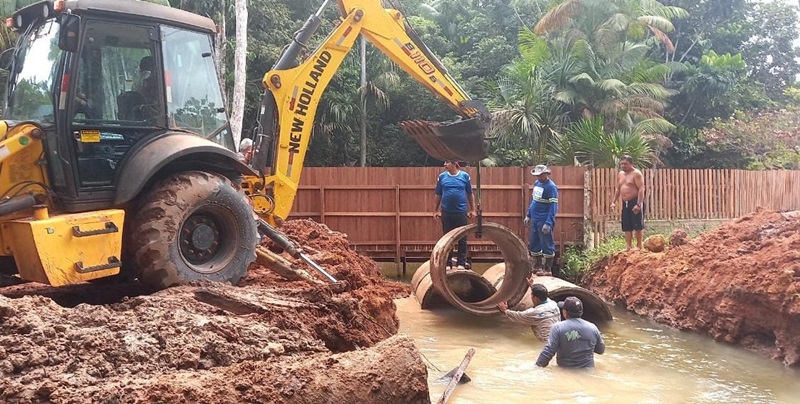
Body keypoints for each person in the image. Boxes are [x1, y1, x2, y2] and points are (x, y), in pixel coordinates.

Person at [536, 296, 605, 368]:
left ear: (565, 312)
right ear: (581, 311)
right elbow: (601, 350)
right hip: (588, 371)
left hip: (565, 371)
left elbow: (548, 352)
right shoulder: (593, 328)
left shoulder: (558, 328)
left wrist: (537, 367)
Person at [433, 159, 476, 270]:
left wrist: (473, 210)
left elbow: (470, 194)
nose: (444, 164)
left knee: (462, 238)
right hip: (447, 212)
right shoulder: (442, 177)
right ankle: (447, 263)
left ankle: (461, 262)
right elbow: (438, 194)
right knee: (447, 238)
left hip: (461, 212)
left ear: (454, 164)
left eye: (447, 162)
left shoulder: (464, 176)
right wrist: (435, 210)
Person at [524, 165, 558, 276]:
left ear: (546, 174)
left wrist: (548, 223)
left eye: (540, 175)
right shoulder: (537, 184)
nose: (538, 177)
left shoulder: (551, 187)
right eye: (537, 175)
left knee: (546, 243)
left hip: (544, 219)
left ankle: (547, 269)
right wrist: (528, 215)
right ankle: (537, 266)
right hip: (535, 218)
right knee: (534, 242)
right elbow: (534, 201)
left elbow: (553, 206)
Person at [611, 155, 646, 251]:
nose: (623, 165)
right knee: (627, 225)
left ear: (631, 164)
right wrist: (613, 202)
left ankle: (639, 246)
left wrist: (638, 204)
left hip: (635, 201)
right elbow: (618, 189)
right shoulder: (621, 174)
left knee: (637, 224)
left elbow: (641, 189)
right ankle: (628, 246)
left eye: (625, 164)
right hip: (625, 202)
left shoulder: (636, 174)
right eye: (622, 163)